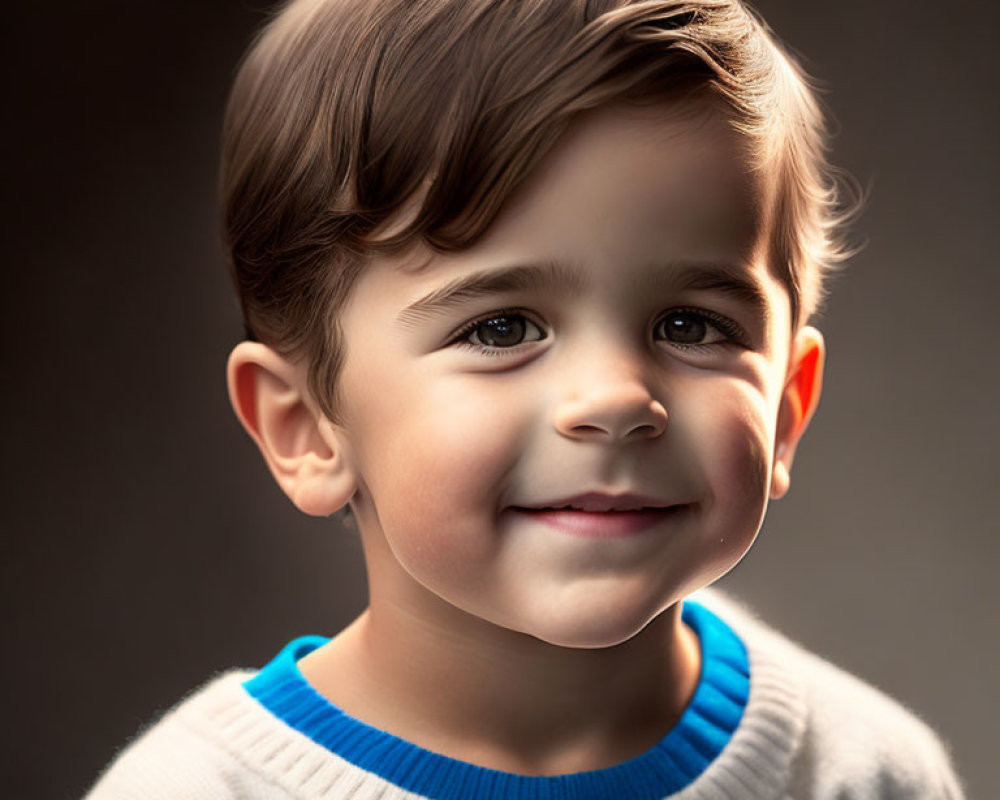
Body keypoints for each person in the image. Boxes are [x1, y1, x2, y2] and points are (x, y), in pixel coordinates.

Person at [85, 0, 966, 797]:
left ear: (785, 408)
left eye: (691, 326)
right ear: (308, 426)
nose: (618, 400)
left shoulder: (867, 773)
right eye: (503, 329)